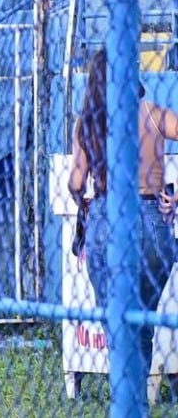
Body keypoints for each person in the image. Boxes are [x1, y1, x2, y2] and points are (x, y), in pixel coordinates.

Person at [69, 50, 178, 383]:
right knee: (142, 321)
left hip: (107, 215)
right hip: (152, 218)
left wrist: (82, 199)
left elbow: (76, 182)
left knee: (114, 321)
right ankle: (136, 400)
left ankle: (123, 393)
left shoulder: (87, 123)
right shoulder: (153, 114)